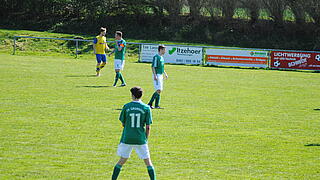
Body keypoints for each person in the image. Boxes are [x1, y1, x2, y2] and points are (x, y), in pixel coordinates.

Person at [112, 87, 156, 180]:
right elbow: (148, 127)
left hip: (127, 138)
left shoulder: (126, 106)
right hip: (140, 139)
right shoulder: (146, 108)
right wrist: (146, 139)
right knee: (148, 162)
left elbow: (123, 122)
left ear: (132, 95)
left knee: (121, 161)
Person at [148, 45, 168, 109]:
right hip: (157, 75)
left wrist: (165, 74)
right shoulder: (156, 57)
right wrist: (155, 75)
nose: (165, 51)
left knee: (159, 90)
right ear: (160, 50)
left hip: (161, 75)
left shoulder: (161, 57)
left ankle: (156, 105)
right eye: (164, 49)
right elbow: (153, 66)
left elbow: (162, 67)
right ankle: (150, 104)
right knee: (158, 90)